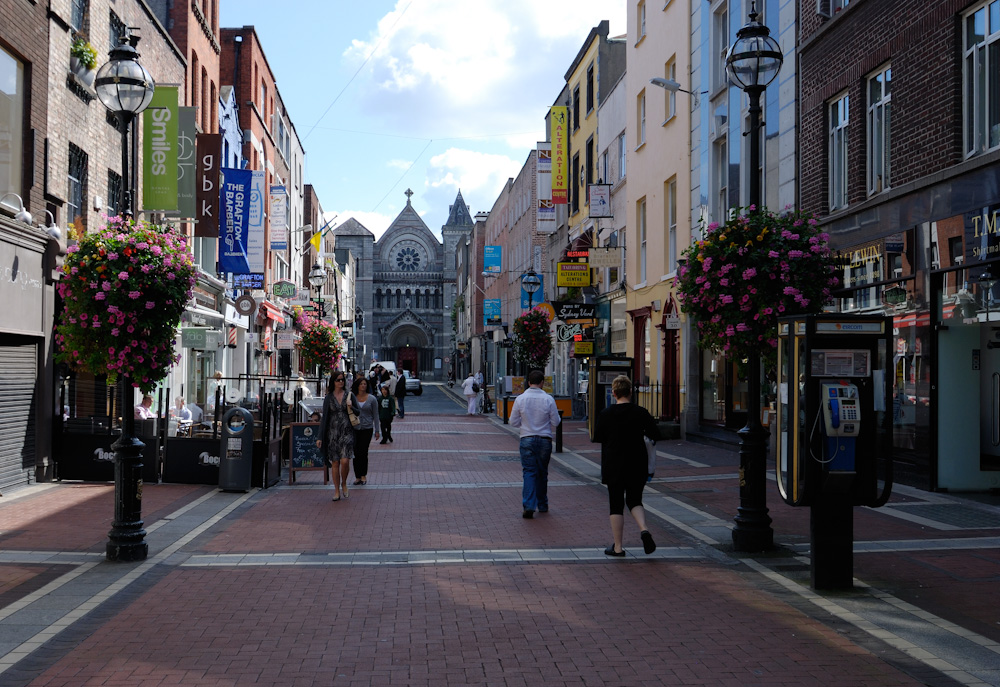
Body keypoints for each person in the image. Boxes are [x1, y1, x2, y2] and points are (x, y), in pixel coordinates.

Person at [593, 375, 660, 557]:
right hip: (637, 463)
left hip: (614, 463)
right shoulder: (641, 412)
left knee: (616, 504)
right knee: (634, 500)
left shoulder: (606, 414)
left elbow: (597, 437)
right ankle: (644, 529)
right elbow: (655, 434)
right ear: (631, 392)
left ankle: (618, 547)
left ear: (614, 393)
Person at [509, 369, 560, 519]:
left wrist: (525, 424)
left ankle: (529, 505)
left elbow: (513, 422)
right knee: (542, 472)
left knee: (529, 472)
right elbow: (556, 421)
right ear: (542, 382)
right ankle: (542, 504)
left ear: (529, 382)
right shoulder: (548, 399)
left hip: (527, 438)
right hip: (544, 440)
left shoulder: (520, 399)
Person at [316, 371, 361, 502]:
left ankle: (344, 483)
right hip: (332, 433)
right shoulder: (329, 397)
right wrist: (320, 437)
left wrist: (351, 406)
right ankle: (336, 490)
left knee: (345, 460)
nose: (341, 382)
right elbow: (324, 418)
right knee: (335, 462)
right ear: (333, 382)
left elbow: (358, 412)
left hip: (347, 431)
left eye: (342, 380)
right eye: (338, 380)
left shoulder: (349, 395)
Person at [351, 376, 380, 484]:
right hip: (355, 427)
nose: (363, 386)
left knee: (363, 452)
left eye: (365, 384)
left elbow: (376, 415)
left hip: (367, 428)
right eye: (361, 384)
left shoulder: (372, 399)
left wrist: (377, 430)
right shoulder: (352, 397)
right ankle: (357, 476)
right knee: (356, 452)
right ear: (357, 386)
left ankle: (363, 475)